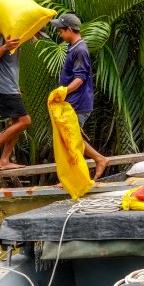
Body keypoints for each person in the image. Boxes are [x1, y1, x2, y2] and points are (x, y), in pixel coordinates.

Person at [50, 13, 109, 179]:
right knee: (70, 139)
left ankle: (94, 163)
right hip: (73, 102)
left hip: (78, 102)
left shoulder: (80, 50)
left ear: (69, 29)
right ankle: (98, 160)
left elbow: (80, 78)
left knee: (71, 140)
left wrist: (63, 92)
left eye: (60, 31)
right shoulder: (73, 47)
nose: (59, 34)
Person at [0, 33, 31, 170]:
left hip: (11, 87)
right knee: (25, 121)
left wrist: (17, 88)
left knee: (17, 123)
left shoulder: (20, 39)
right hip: (4, 87)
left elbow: (11, 67)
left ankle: (4, 160)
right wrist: (4, 47)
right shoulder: (4, 35)